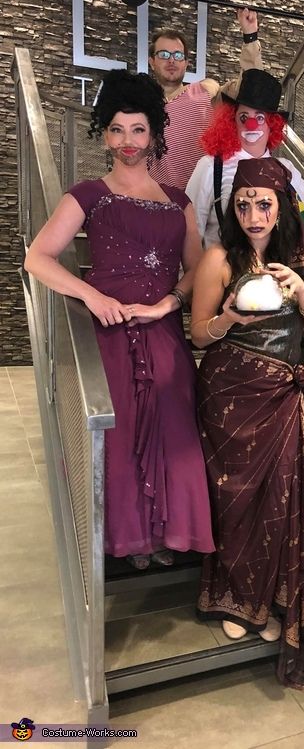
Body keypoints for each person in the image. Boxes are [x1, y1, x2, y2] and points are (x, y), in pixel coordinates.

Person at [190, 157, 304, 712]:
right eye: (242, 204)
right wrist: (229, 320)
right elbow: (198, 335)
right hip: (230, 397)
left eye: (262, 203)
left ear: (282, 206)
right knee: (235, 504)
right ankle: (236, 602)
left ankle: (268, 602)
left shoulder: (300, 257)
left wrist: (302, 289)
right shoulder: (220, 257)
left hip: (285, 397)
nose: (252, 214)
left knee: (278, 507)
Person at [24, 69, 214, 569]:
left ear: (154, 134)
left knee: (174, 433)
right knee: (122, 434)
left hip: (165, 332)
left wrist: (169, 302)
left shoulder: (180, 202)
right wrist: (91, 296)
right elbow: (37, 258)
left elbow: (197, 269)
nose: (127, 142)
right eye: (117, 129)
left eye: (137, 130)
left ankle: (169, 533)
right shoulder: (88, 194)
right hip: (110, 335)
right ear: (103, 133)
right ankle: (130, 540)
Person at [186, 68, 304, 248]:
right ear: (232, 121)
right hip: (222, 271)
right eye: (244, 117)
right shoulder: (211, 166)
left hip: (275, 272)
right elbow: (191, 231)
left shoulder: (286, 168)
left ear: (273, 125)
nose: (251, 124)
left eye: (260, 117)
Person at [148, 8, 263, 191]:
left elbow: (249, 86)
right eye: (163, 54)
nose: (172, 61)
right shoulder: (139, 104)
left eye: (178, 55)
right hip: (152, 202)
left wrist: (250, 36)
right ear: (151, 61)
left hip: (199, 200)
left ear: (186, 62)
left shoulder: (205, 91)